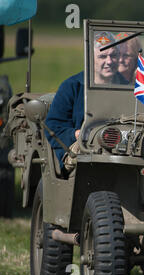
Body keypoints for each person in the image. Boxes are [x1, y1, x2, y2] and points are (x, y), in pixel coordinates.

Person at [45, 31, 124, 174]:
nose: (109, 61)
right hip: (83, 149)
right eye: (102, 56)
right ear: (90, 58)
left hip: (122, 149)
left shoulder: (129, 86)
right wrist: (78, 134)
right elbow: (52, 129)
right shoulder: (72, 86)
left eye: (113, 55)